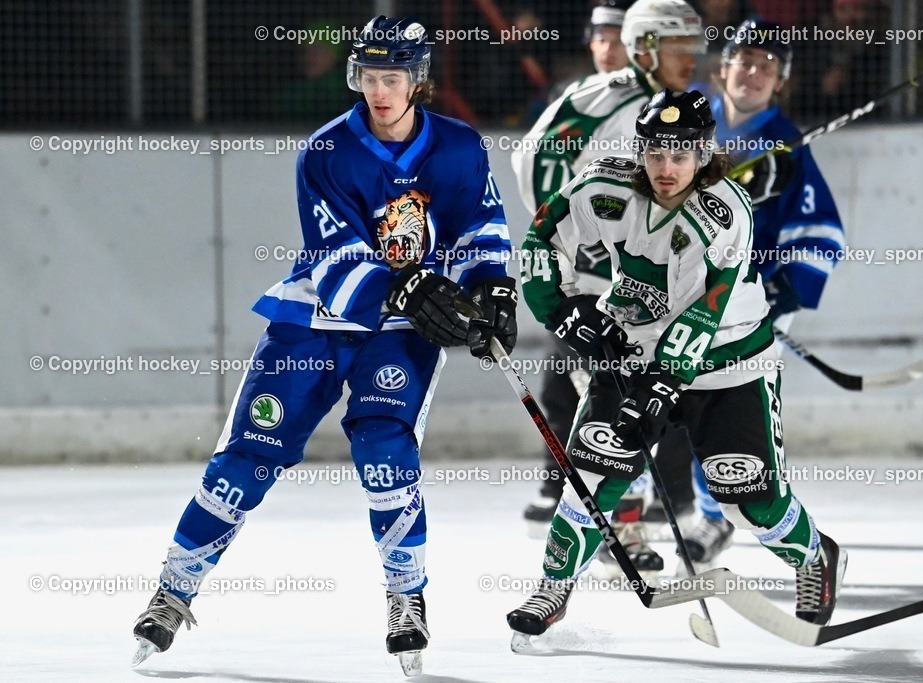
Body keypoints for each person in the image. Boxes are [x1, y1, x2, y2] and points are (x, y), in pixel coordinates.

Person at [130, 15, 515, 678]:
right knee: (248, 456)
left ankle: (406, 596)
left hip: (396, 333)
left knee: (384, 447)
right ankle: (174, 590)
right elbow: (334, 254)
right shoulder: (326, 150)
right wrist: (414, 288)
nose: (379, 89)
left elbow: (482, 224)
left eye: (392, 76)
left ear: (417, 79)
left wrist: (492, 290)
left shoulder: (458, 147)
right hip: (315, 320)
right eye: (369, 75)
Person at [507, 88, 847, 644]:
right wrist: (564, 311)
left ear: (704, 151)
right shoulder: (602, 185)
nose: (667, 168)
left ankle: (815, 555)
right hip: (637, 348)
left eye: (682, 154)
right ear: (640, 149)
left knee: (749, 503)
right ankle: (553, 586)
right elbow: (541, 240)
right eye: (656, 152)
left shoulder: (722, 212)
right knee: (592, 477)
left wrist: (656, 393)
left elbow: (701, 316)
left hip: (730, 362)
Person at [513, 0, 710, 576]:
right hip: (595, 286)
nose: (691, 61)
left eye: (694, 50)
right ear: (647, 47)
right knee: (603, 396)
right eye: (681, 49)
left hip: (639, 286)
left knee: (643, 401)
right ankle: (614, 530)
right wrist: (578, 244)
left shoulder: (671, 109)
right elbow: (537, 161)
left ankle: (625, 523)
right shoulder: (607, 97)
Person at [682, 18, 846, 566]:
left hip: (753, 302)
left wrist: (783, 289)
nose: (753, 72)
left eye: (767, 66)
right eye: (744, 60)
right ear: (722, 66)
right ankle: (709, 514)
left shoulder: (789, 146)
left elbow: (824, 231)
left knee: (735, 412)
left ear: (781, 81)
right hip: (686, 294)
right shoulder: (687, 119)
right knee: (682, 402)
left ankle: (735, 518)